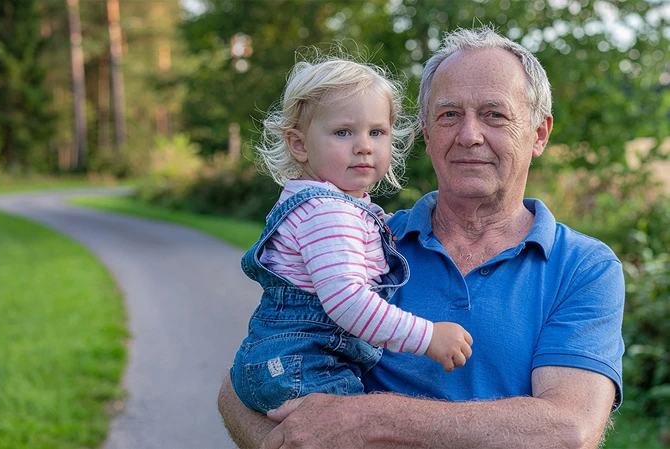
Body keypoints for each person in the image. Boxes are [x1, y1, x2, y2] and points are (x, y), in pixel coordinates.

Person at [218, 26, 625, 449]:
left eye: (494, 114)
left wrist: (369, 419)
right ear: (426, 135)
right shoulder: (364, 240)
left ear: (539, 134)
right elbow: (243, 382)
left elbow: (566, 430)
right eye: (449, 114)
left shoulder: (583, 267)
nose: (469, 135)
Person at [230, 54, 474, 415]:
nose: (364, 145)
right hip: (307, 367)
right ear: (299, 144)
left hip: (276, 364)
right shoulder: (329, 213)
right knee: (360, 428)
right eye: (343, 132)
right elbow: (347, 302)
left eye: (377, 132)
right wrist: (428, 337)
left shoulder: (321, 204)